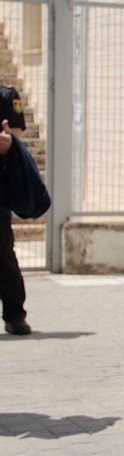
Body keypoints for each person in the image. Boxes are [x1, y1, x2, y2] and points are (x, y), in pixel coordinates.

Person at [0, 82, 29, 335]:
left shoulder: (7, 96)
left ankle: (14, 314)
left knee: (2, 252)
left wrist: (9, 144)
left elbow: (17, 138)